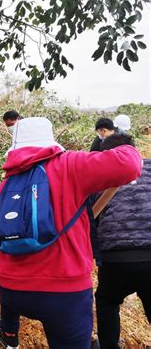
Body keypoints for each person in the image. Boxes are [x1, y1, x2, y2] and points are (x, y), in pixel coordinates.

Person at [0, 117, 142, 349]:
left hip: (11, 287)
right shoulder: (69, 164)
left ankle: (10, 335)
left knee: (12, 305)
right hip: (63, 291)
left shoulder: (9, 179)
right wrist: (124, 142)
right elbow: (130, 165)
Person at [94, 135, 150, 349]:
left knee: (107, 300)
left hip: (115, 258)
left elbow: (91, 218)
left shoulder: (99, 178)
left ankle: (108, 345)